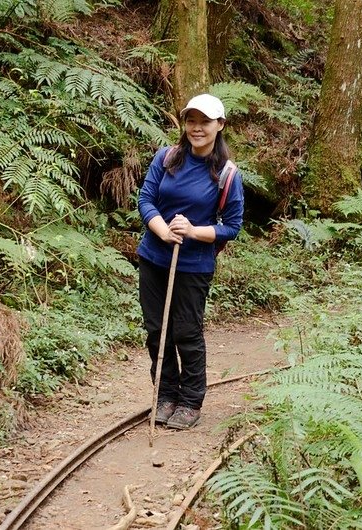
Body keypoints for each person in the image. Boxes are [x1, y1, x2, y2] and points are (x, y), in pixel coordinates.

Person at [136, 93, 244, 429]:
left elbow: (232, 226)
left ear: (220, 125)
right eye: (191, 121)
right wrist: (163, 231)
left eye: (205, 122)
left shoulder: (226, 174)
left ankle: (191, 400)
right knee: (157, 330)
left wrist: (193, 230)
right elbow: (146, 199)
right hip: (154, 257)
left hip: (193, 265)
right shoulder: (166, 158)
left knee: (186, 331)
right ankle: (165, 394)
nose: (197, 128)